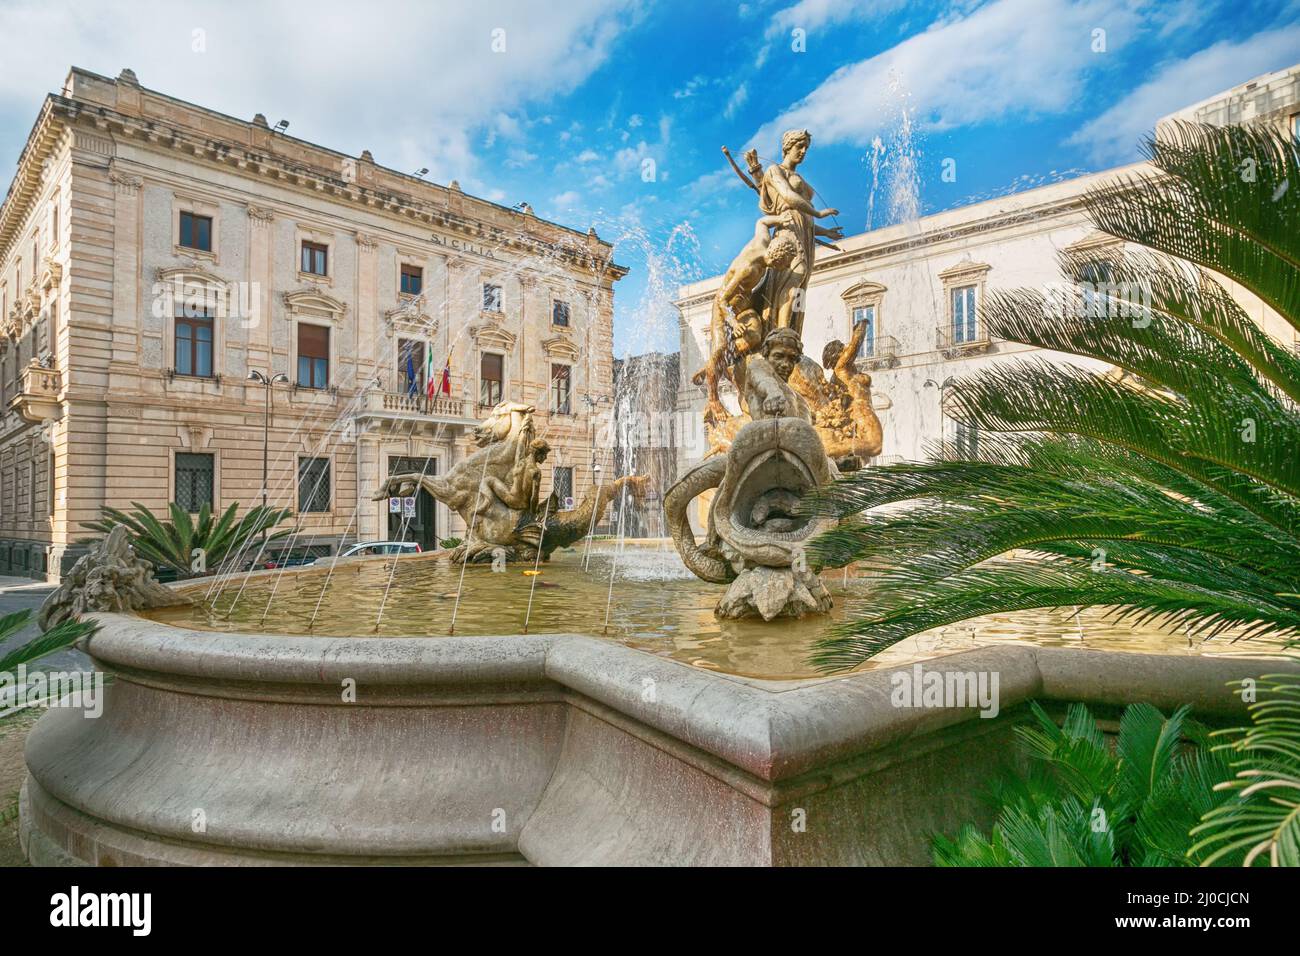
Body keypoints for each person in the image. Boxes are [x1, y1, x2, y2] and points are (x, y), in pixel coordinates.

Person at [696, 214, 800, 424]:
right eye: (781, 265)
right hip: (723, 309)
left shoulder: (764, 243)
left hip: (744, 306)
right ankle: (713, 397)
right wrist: (733, 323)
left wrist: (780, 218)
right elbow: (723, 299)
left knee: (754, 336)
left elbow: (761, 222)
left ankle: (722, 365)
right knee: (718, 349)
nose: (780, 269)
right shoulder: (749, 268)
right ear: (776, 257)